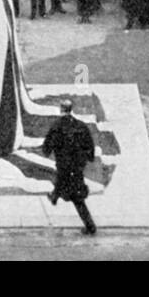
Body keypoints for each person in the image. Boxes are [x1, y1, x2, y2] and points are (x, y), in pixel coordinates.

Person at [42, 99, 96, 235]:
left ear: (61, 109)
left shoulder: (56, 126)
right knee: (76, 195)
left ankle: (90, 226)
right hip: (76, 167)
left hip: (63, 164)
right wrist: (88, 157)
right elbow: (89, 145)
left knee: (68, 189)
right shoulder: (80, 126)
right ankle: (89, 225)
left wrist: (47, 151)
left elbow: (47, 146)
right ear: (71, 109)